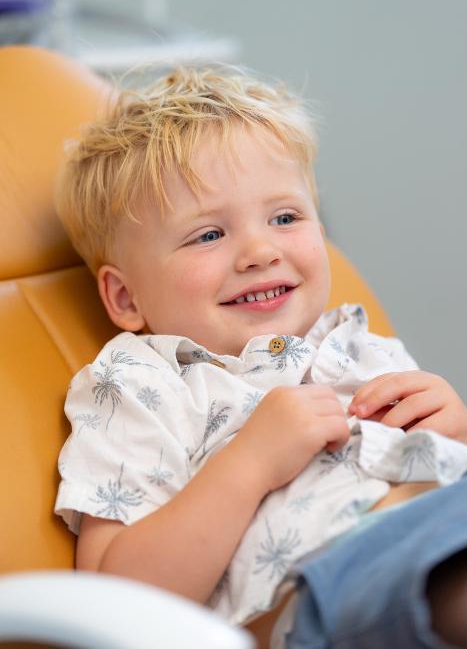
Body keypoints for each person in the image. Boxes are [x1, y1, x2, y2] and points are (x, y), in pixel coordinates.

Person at [54, 65, 467, 648]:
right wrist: (250, 462)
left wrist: (453, 429)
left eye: (285, 218)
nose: (259, 251)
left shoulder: (357, 342)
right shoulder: (139, 384)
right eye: (208, 235)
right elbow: (116, 602)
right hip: (345, 591)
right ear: (125, 297)